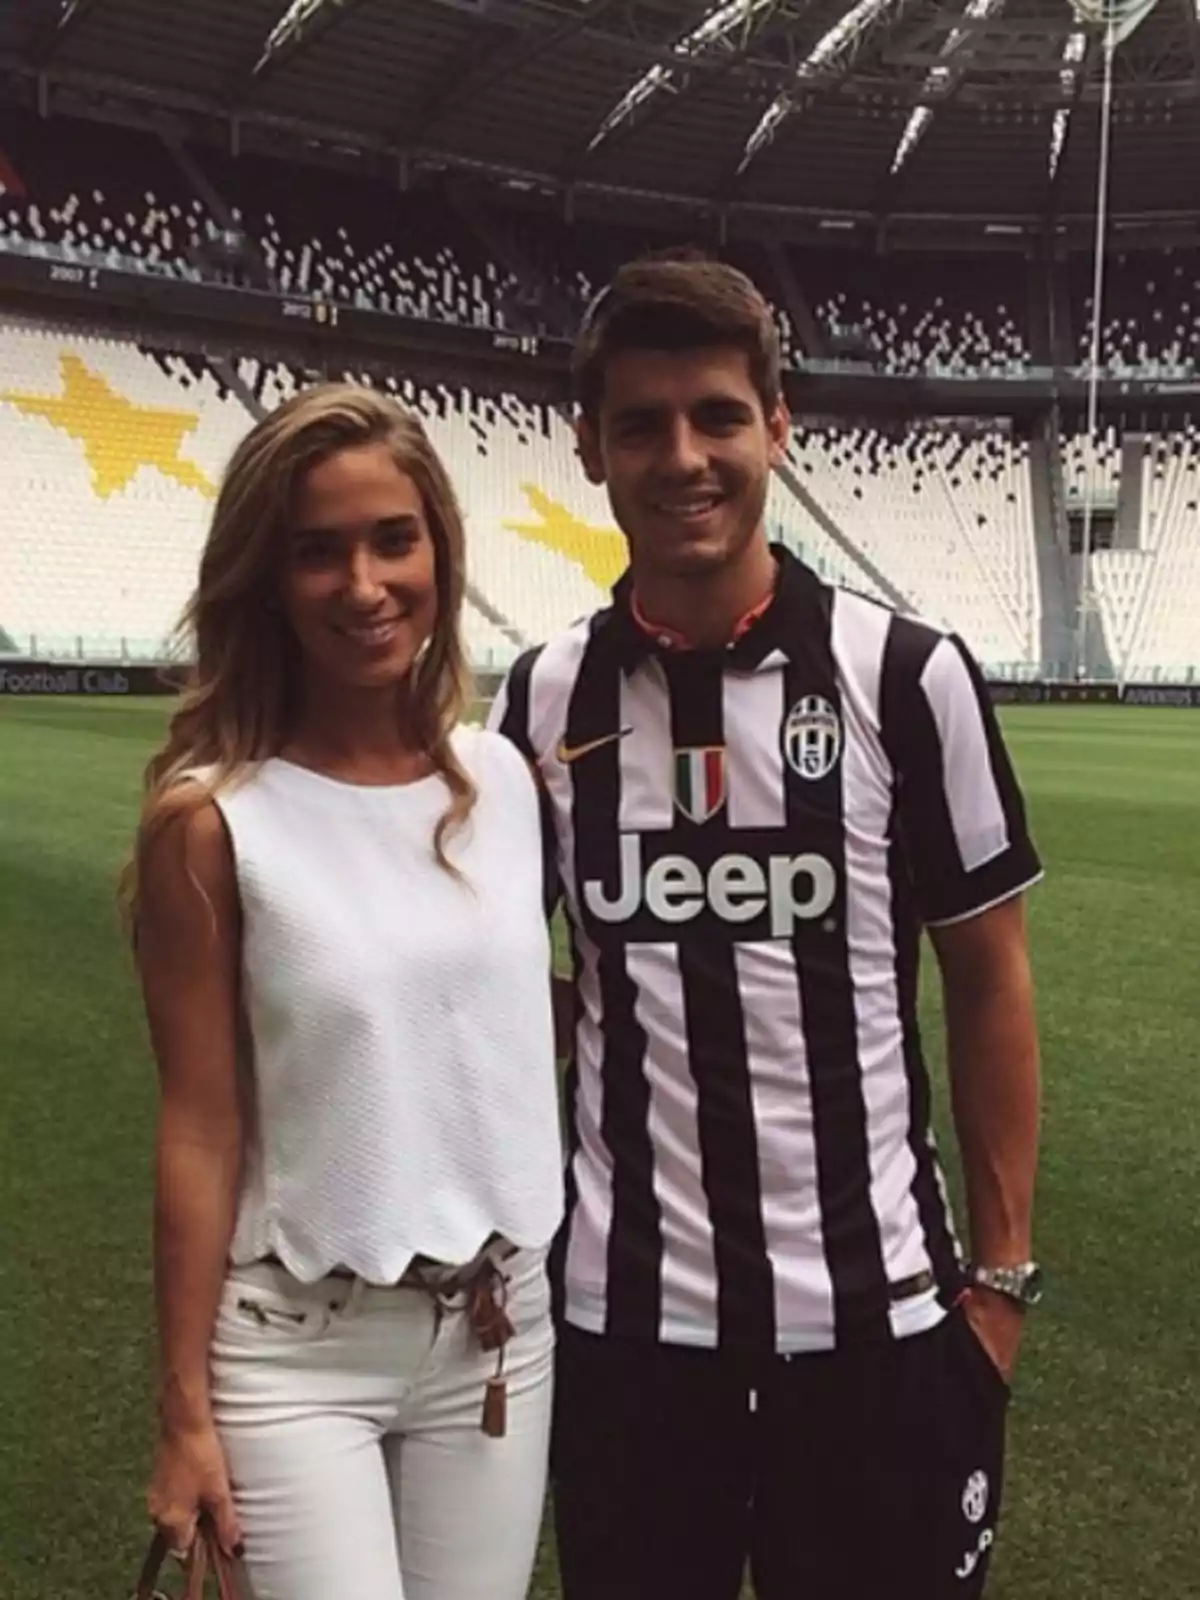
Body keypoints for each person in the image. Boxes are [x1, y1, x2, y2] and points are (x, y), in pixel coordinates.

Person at [489, 253, 1044, 1600]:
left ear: (778, 426)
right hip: (630, 1346)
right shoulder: (540, 698)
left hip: (880, 1333)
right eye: (641, 424)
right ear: (589, 449)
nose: (684, 456)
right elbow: (513, 990)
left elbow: (990, 979)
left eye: (718, 416)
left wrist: (1002, 1286)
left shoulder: (908, 679)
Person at [123, 383, 564, 1600]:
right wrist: (183, 1413)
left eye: (393, 540)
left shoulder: (505, 781)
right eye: (317, 551)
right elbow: (199, 1129)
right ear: (266, 577)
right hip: (295, 1353)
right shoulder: (212, 822)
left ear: (440, 549)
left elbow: (492, 1013)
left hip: (497, 1335)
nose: (364, 585)